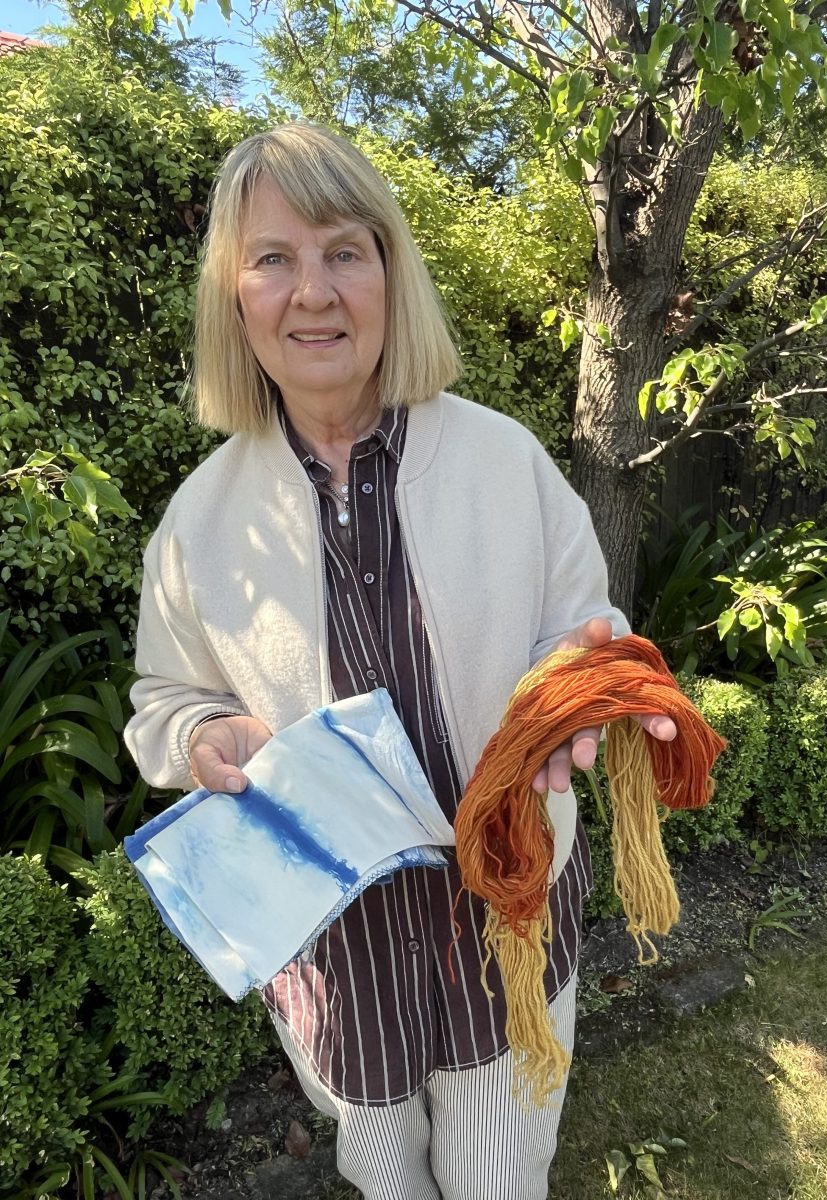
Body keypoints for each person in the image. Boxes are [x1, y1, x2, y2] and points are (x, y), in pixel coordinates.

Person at [124, 122, 675, 1200]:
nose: (314, 291)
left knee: (502, 1179)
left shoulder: (505, 462)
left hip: (503, 930)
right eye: (272, 258)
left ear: (390, 274)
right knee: (383, 1178)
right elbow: (161, 700)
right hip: (340, 961)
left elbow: (584, 629)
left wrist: (573, 699)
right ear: (234, 298)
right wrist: (201, 735)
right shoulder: (196, 525)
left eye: (345, 250)